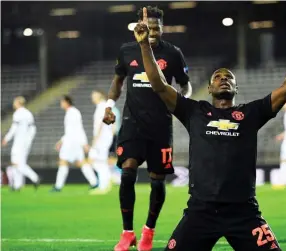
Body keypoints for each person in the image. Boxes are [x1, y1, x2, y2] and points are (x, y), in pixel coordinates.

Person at [132, 9, 286, 251]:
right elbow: (158, 84)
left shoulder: (251, 114)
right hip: (200, 212)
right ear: (209, 88)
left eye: (229, 77)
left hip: (244, 212)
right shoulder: (193, 111)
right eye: (218, 77)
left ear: (236, 87)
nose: (223, 78)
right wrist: (145, 45)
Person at [102, 6, 192, 251]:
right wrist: (109, 105)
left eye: (156, 27)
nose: (152, 32)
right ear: (139, 26)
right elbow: (118, 80)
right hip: (132, 122)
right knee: (128, 172)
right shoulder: (126, 50)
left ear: (162, 27)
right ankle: (127, 232)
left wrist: (180, 104)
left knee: (157, 180)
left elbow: (186, 86)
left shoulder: (173, 54)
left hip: (161, 125)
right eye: (148, 27)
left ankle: (148, 231)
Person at [50, 95, 98, 192]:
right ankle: (94, 182)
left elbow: (78, 128)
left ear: (67, 102)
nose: (61, 104)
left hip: (72, 143)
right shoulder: (71, 112)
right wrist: (61, 141)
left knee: (63, 162)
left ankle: (58, 186)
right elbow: (71, 131)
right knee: (80, 162)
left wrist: (84, 143)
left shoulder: (73, 113)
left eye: (62, 102)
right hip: (73, 142)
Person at [2, 96, 39, 190]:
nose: (13, 104)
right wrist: (29, 140)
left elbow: (14, 128)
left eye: (15, 102)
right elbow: (33, 129)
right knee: (19, 163)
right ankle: (17, 185)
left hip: (19, 142)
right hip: (26, 142)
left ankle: (34, 177)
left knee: (16, 163)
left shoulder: (17, 114)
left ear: (18, 103)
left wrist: (6, 138)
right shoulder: (28, 113)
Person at [87, 90, 114, 195]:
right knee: (99, 161)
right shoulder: (107, 107)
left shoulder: (100, 108)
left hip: (101, 139)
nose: (92, 97)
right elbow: (112, 122)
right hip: (106, 138)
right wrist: (110, 135)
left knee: (96, 161)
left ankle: (103, 186)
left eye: (94, 95)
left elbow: (100, 124)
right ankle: (106, 182)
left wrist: (96, 138)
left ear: (100, 96)